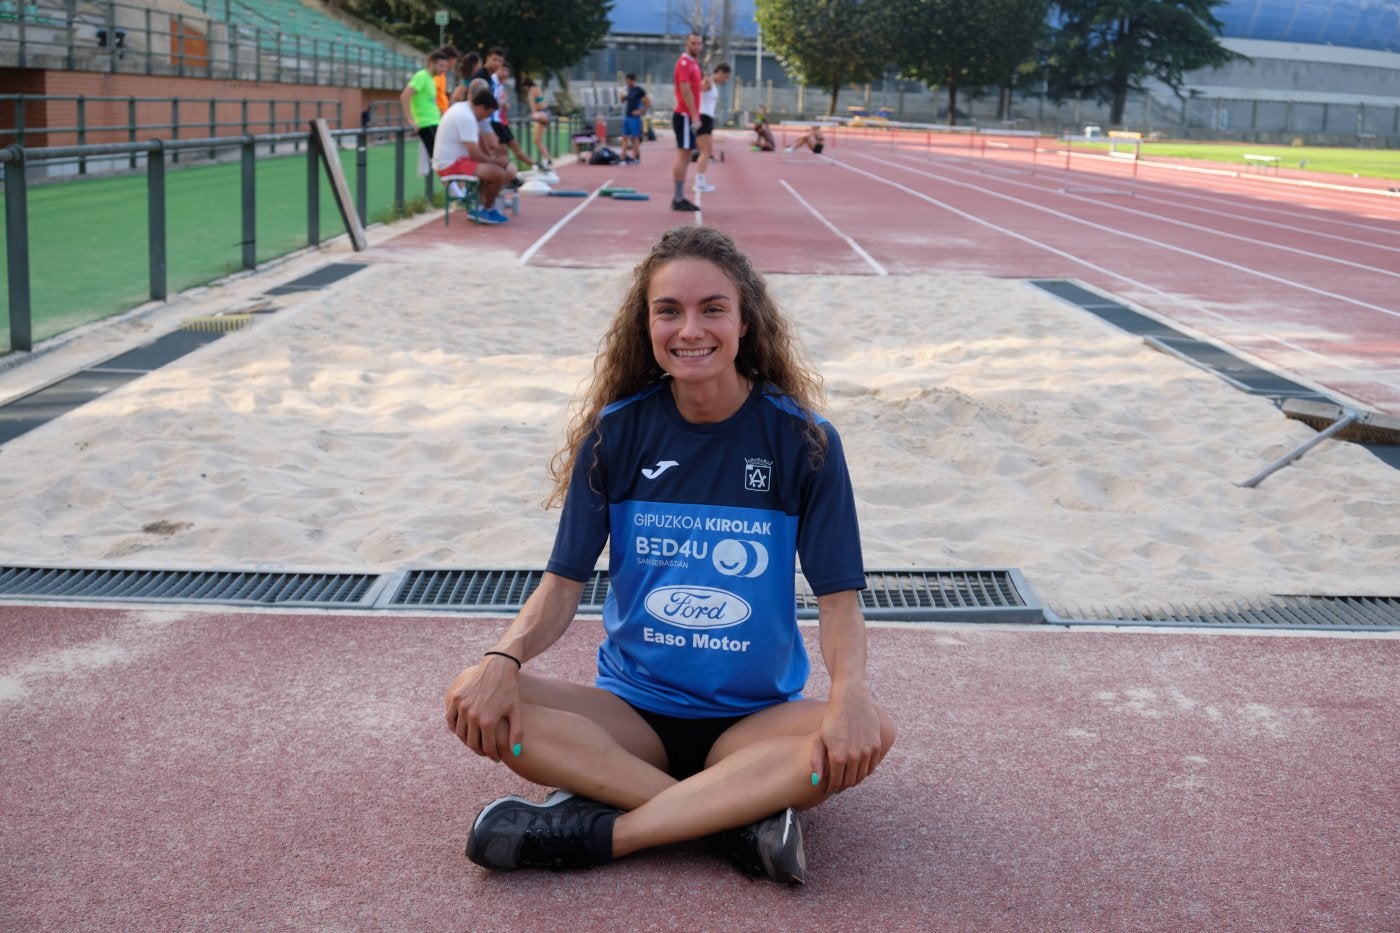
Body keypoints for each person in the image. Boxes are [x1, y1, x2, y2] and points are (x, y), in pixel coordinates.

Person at [445, 225, 896, 885]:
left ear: (746, 322)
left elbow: (838, 601)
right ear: (647, 324)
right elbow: (562, 586)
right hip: (630, 716)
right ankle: (734, 819)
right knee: (476, 700)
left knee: (869, 730)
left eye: (713, 308)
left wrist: (850, 693)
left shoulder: (806, 442)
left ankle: (607, 831)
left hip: (753, 722)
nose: (691, 329)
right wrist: (502, 657)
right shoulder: (616, 434)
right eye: (669, 310)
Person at [432, 87, 515, 225]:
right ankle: (485, 208)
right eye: (487, 114)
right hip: (450, 164)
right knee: (498, 174)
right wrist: (495, 162)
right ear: (482, 107)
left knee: (494, 170)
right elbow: (475, 154)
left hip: (454, 160)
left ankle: (481, 205)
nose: (486, 118)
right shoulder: (467, 117)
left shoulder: (463, 108)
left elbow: (479, 146)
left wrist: (492, 160)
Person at [670, 32, 704, 212]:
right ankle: (678, 198)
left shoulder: (694, 63)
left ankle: (679, 197)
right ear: (686, 44)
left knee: (686, 155)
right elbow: (685, 90)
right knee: (683, 156)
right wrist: (694, 115)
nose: (696, 46)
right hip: (684, 115)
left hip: (687, 115)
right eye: (693, 43)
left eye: (699, 44)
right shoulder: (684, 63)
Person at [401, 50, 451, 162]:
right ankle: (450, 180)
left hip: (435, 122)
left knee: (443, 158)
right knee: (440, 159)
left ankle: (450, 179)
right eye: (441, 66)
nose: (443, 70)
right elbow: (405, 96)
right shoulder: (421, 76)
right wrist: (411, 120)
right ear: (431, 63)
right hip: (427, 123)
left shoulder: (431, 79)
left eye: (445, 67)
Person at [693, 62, 731, 193]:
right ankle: (699, 182)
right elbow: (695, 93)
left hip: (708, 118)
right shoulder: (708, 82)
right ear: (720, 72)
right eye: (725, 77)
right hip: (703, 117)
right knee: (705, 151)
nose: (725, 80)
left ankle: (701, 180)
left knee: (707, 151)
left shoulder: (713, 84)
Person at [521, 77, 553, 171]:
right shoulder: (537, 88)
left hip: (541, 113)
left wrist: (533, 115)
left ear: (526, 86)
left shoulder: (531, 91)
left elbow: (533, 106)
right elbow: (540, 101)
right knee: (537, 140)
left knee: (537, 139)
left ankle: (547, 159)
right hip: (546, 112)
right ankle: (547, 159)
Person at [619, 73, 650, 164]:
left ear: (633, 80)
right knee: (624, 136)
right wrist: (622, 97)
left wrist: (640, 111)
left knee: (635, 138)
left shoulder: (639, 90)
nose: (627, 83)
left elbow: (648, 102)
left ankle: (635, 157)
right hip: (627, 116)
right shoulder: (627, 90)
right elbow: (622, 101)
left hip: (634, 117)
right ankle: (623, 156)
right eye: (626, 81)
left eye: (628, 81)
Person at [435, 45, 460, 114]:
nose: (455, 63)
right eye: (455, 60)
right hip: (437, 115)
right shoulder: (438, 75)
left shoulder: (442, 75)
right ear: (451, 59)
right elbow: (433, 96)